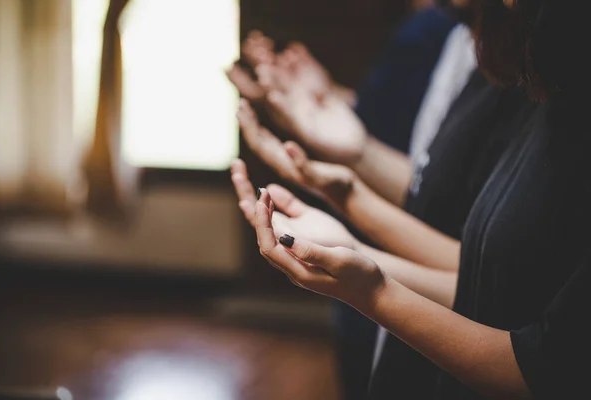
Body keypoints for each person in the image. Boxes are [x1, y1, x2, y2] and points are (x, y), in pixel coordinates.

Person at [248, 0, 591, 398]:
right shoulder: (530, 75)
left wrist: (370, 285)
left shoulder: (552, 83)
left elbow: (545, 368)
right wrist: (351, 195)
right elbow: (483, 269)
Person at [228, 4, 463, 398]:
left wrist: (360, 251)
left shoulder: (446, 31)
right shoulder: (453, 35)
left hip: (417, 268)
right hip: (405, 252)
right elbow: (429, 173)